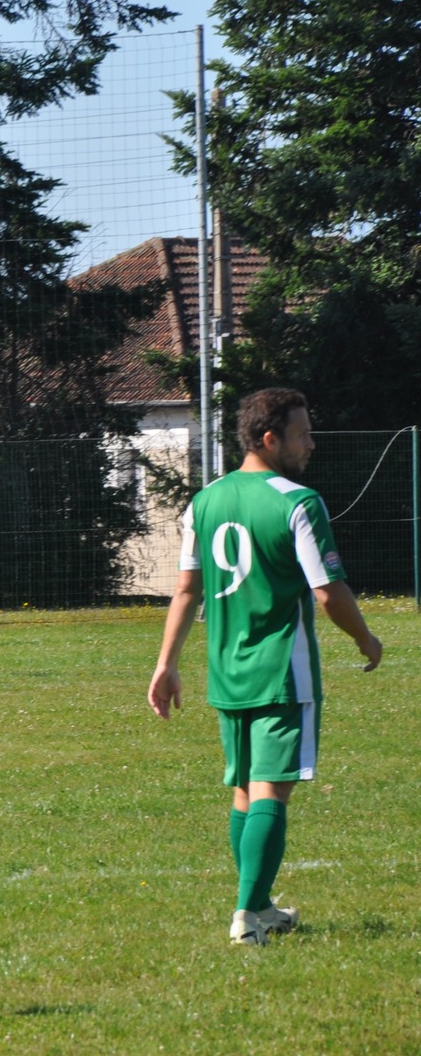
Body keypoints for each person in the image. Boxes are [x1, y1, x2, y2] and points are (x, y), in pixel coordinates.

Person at [148, 387, 382, 945]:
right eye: (302, 435)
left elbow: (186, 591)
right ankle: (248, 915)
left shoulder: (204, 501)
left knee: (244, 794)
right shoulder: (297, 502)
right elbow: (327, 591)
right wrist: (366, 638)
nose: (311, 444)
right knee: (271, 793)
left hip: (227, 671)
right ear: (270, 438)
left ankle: (263, 906)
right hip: (283, 671)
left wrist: (167, 665)